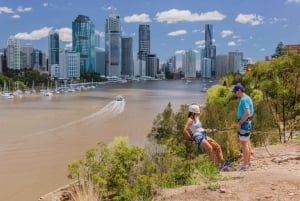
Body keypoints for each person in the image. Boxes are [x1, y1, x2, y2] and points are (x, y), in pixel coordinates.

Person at [183, 104, 231, 171]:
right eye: (197, 113)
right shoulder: (190, 120)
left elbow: (200, 128)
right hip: (198, 136)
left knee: (217, 146)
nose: (198, 114)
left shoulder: (196, 118)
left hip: (203, 134)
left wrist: (211, 130)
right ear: (193, 113)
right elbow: (185, 130)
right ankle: (216, 168)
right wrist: (190, 138)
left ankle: (223, 164)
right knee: (211, 149)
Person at [232, 83, 254, 171]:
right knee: (247, 143)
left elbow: (247, 112)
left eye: (235, 92)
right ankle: (247, 162)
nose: (235, 94)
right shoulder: (248, 98)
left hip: (244, 124)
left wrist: (239, 123)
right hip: (248, 123)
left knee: (244, 144)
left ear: (240, 91)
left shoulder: (244, 99)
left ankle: (245, 164)